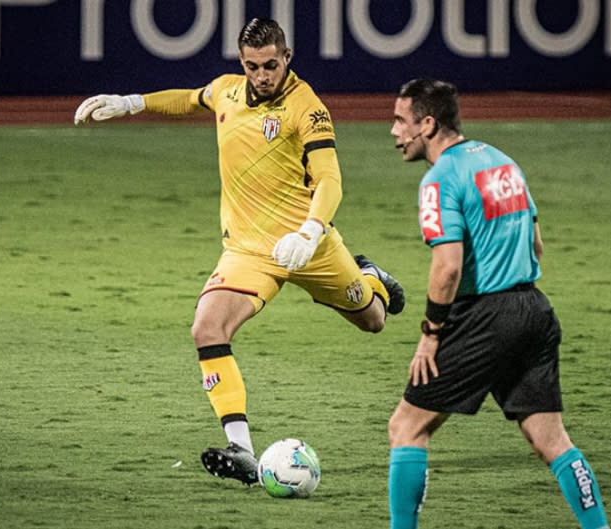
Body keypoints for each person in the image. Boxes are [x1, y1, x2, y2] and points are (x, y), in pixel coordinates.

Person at [74, 18, 405, 486]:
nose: (263, 75)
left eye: (271, 65)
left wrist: (311, 232)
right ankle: (243, 452)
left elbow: (330, 178)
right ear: (242, 64)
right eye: (253, 66)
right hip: (248, 251)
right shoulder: (227, 91)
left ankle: (372, 278)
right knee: (207, 326)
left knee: (373, 319)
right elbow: (189, 99)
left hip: (308, 246)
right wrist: (132, 103)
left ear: (287, 58)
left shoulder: (306, 108)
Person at [386, 78, 610, 529]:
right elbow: (537, 244)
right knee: (550, 439)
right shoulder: (503, 162)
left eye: (400, 120)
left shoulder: (440, 179)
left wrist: (431, 335)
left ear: (427, 124)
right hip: (534, 310)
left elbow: (447, 267)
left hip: (484, 316)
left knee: (406, 427)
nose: (393, 131)